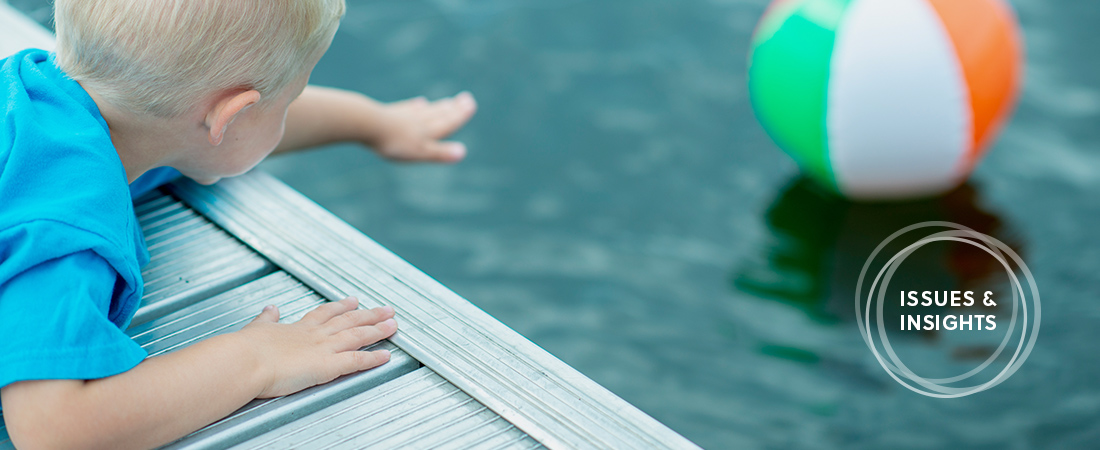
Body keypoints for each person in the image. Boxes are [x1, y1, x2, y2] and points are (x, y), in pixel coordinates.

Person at [0, 0, 477, 448]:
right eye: (287, 104)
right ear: (232, 116)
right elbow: (54, 428)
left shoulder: (43, 97)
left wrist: (372, 123)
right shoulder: (68, 228)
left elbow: (219, 123)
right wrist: (257, 359)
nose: (287, 116)